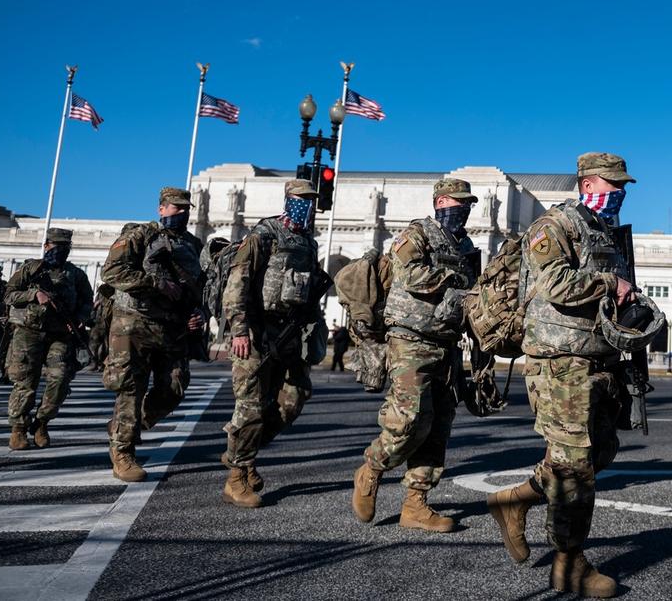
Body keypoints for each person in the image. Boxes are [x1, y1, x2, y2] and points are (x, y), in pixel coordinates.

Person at [486, 153, 637, 598]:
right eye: (613, 185)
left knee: (599, 452)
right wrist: (610, 286)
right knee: (574, 464)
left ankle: (514, 500)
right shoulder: (554, 226)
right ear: (587, 183)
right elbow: (555, 285)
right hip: (558, 359)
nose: (620, 193)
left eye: (624, 186)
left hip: (600, 357)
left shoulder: (607, 233)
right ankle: (569, 562)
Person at [352, 178, 479, 532]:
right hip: (411, 338)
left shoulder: (465, 244)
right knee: (409, 419)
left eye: (468, 203)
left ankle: (416, 504)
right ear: (440, 201)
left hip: (447, 343)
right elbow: (410, 276)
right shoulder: (418, 233)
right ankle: (372, 468)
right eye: (458, 202)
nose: (463, 208)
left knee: (438, 423)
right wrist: (457, 280)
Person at [221, 179, 331, 508]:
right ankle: (237, 475)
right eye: (300, 199)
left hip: (290, 333)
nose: (306, 205)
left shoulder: (308, 244)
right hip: (255, 332)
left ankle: (240, 451)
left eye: (311, 200)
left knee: (293, 398)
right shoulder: (263, 236)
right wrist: (239, 329)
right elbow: (237, 285)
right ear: (288, 199)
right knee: (251, 406)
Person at [101, 188, 205, 481]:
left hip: (172, 328)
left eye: (185, 209)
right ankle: (123, 452)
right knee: (130, 388)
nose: (181, 213)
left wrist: (199, 314)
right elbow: (112, 272)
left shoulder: (193, 245)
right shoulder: (139, 235)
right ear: (161, 209)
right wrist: (156, 284)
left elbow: (201, 289)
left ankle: (126, 425)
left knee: (174, 387)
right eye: (175, 208)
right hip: (133, 323)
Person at [3, 228, 93, 449]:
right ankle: (19, 429)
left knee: (60, 378)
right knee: (25, 381)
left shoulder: (76, 274)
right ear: (46, 246)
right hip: (28, 331)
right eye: (56, 246)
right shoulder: (30, 269)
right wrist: (34, 295)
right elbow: (9, 295)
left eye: (65, 248)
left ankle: (42, 422)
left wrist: (81, 318)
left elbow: (87, 300)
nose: (60, 251)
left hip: (60, 334)